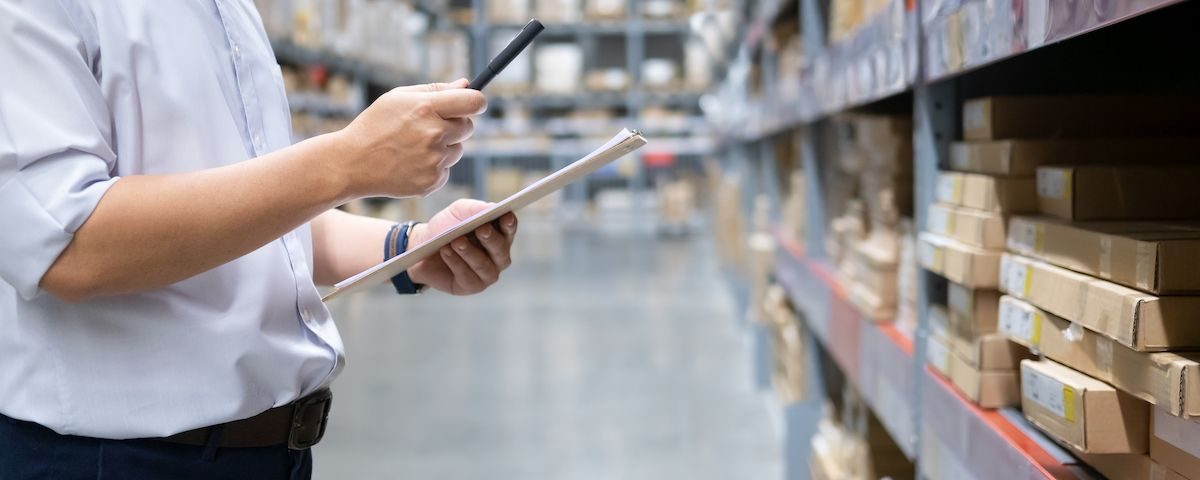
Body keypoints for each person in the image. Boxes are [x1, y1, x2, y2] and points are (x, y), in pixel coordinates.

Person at [0, 1, 516, 478]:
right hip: (116, 459)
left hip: (273, 453)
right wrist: (345, 162)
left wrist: (409, 248)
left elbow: (257, 216)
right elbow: (66, 245)